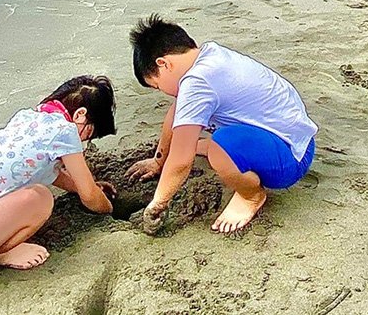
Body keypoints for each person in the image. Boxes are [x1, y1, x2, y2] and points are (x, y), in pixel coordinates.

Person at [126, 17, 317, 236]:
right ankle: (233, 155)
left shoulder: (198, 82)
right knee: (208, 141)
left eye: (157, 85)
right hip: (296, 138)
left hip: (291, 158)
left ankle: (251, 196)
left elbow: (181, 161)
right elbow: (176, 113)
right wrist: (158, 160)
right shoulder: (210, 55)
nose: (163, 91)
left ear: (164, 63)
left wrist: (157, 203)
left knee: (219, 146)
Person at [0, 75, 117, 275]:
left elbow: (50, 174)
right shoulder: (64, 131)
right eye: (88, 134)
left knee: (35, 192)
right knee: (40, 199)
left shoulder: (29, 118)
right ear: (80, 115)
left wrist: (82, 187)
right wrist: (110, 209)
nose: (83, 142)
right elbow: (90, 197)